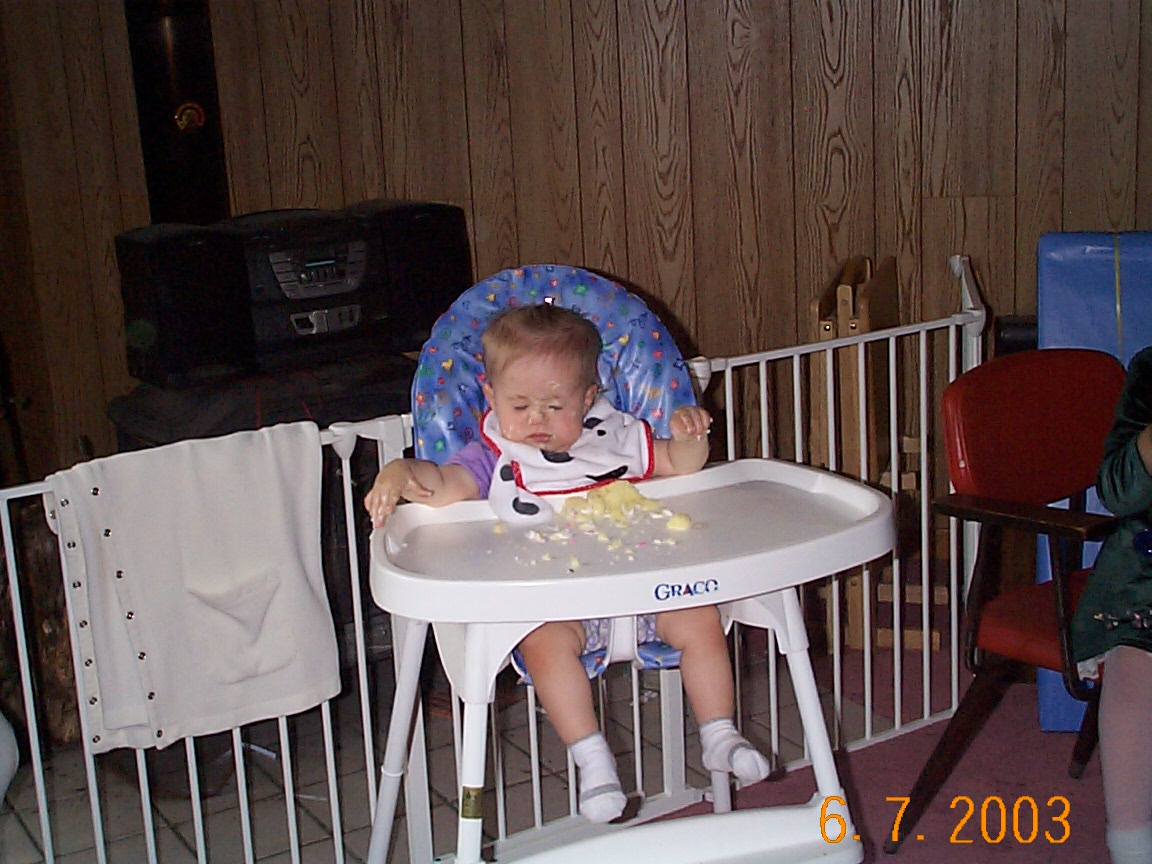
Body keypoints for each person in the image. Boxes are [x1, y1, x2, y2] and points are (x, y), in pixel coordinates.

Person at [364, 303, 771, 823]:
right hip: (558, 606)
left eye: (555, 406)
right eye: (520, 405)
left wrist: (692, 438)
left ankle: (719, 733)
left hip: (645, 592)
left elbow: (679, 464)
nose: (536, 419)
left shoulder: (613, 437)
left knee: (701, 619)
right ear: (490, 396)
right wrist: (401, 472)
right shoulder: (495, 456)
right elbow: (443, 487)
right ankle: (592, 758)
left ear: (588, 397)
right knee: (544, 646)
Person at [1072, 344, 1152, 864]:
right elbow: (1117, 494)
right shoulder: (1151, 370)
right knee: (1137, 661)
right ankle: (1131, 842)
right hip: (1146, 572)